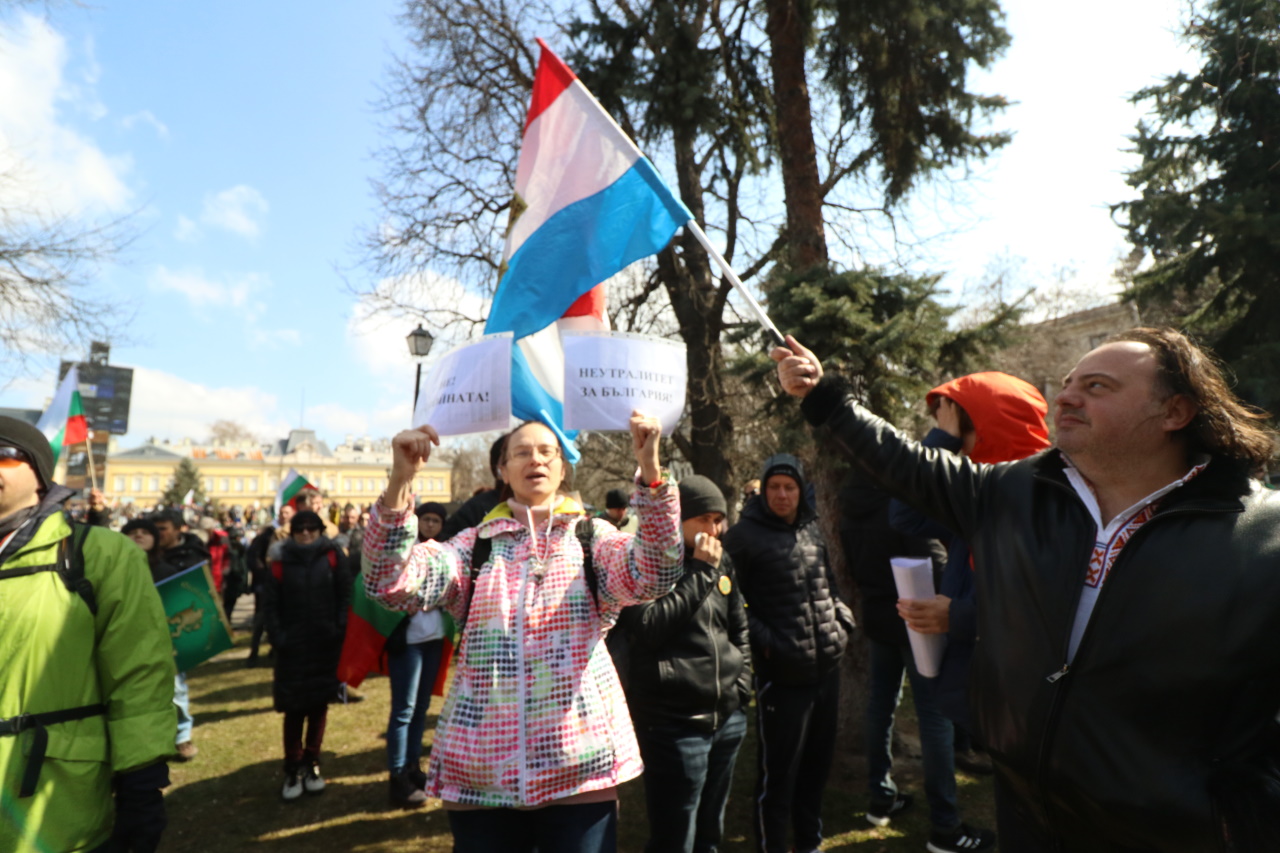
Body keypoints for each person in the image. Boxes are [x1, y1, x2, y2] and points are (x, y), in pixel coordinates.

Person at [774, 328, 1280, 852]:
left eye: (1098, 386)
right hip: (1028, 816)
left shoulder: (1263, 538)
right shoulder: (1015, 490)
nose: (1065, 396)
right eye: (1066, 383)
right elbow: (907, 466)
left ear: (1175, 412)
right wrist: (826, 395)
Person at [364, 412, 682, 852]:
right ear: (503, 469)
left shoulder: (591, 539)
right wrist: (400, 481)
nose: (536, 459)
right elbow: (387, 582)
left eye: (547, 451)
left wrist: (650, 473)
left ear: (562, 467)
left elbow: (657, 571)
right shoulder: (474, 546)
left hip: (579, 768)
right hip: (481, 772)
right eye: (522, 452)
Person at [0, 416, 176, 853]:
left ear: (40, 473)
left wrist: (140, 791)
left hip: (56, 808)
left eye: (3, 454)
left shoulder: (99, 555)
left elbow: (139, 679)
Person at [722, 454, 855, 853]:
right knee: (777, 779)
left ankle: (809, 843)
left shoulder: (813, 529)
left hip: (826, 672)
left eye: (789, 487)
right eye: (774, 487)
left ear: (800, 491)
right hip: (781, 679)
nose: (782, 494)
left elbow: (829, 582)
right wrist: (767, 642)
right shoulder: (743, 537)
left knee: (815, 771)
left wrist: (842, 620)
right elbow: (730, 600)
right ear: (763, 492)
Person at [614, 475, 751, 853]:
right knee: (675, 835)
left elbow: (739, 628)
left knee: (711, 830)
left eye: (718, 519)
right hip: (674, 725)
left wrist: (741, 689)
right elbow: (649, 628)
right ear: (677, 519)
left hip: (726, 718)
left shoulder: (724, 562)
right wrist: (701, 571)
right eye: (704, 519)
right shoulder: (643, 562)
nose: (714, 529)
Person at [264, 509, 351, 801]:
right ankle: (292, 767)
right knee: (293, 708)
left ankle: (312, 762)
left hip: (325, 643)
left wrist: (338, 628)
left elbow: (344, 594)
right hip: (293, 646)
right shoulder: (280, 559)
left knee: (318, 706)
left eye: (311, 528)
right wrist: (279, 638)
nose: (305, 533)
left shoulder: (333, 555)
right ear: (292, 531)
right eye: (299, 528)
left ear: (319, 530)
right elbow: (270, 603)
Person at [386, 502, 449, 808]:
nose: (431, 525)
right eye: (426, 519)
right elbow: (387, 589)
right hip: (408, 641)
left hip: (433, 639)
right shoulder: (405, 553)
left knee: (421, 707)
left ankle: (413, 766)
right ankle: (397, 775)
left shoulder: (445, 553)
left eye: (436, 521)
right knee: (404, 709)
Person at [153, 509, 209, 761]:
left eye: (163, 528)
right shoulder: (145, 555)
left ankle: (182, 736)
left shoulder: (191, 555)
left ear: (178, 529)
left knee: (176, 687)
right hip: (145, 630)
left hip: (175, 631)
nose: (157, 534)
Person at [245, 504, 293, 666]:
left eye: (287, 513)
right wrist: (264, 574)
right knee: (261, 619)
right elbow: (253, 556)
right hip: (266, 583)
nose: (284, 515)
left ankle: (275, 650)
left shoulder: (296, 534)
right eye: (282, 512)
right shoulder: (266, 534)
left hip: (287, 585)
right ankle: (254, 652)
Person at [438, 432, 507, 541]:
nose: (535, 460)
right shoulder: (476, 508)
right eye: (521, 454)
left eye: (544, 452)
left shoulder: (543, 511)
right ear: (499, 469)